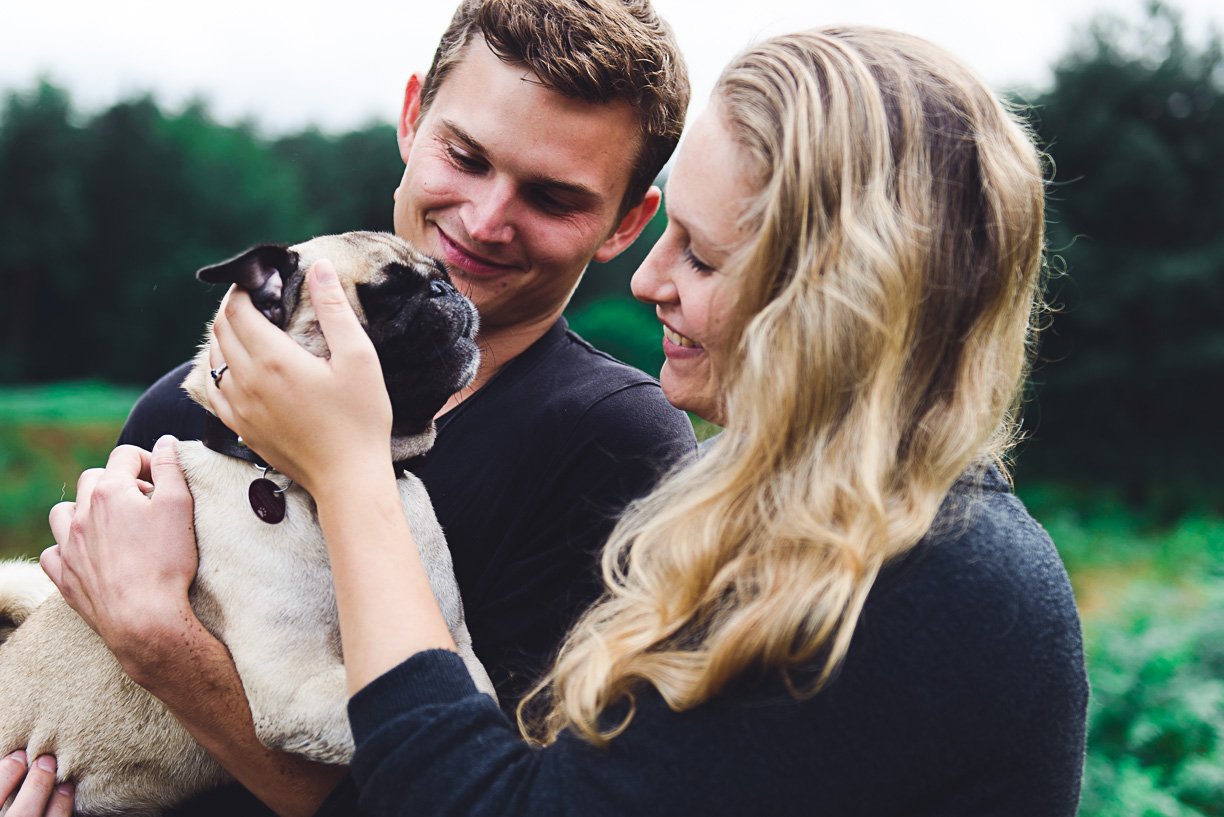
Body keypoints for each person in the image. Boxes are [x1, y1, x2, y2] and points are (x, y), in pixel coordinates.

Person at [16, 23, 1090, 817]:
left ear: (844, 298)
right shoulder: (783, 536)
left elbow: (464, 797)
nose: (658, 279)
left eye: (702, 254)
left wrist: (186, 621)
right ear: (411, 118)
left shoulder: (890, 578)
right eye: (466, 155)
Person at [5, 2, 695, 816]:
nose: (485, 220)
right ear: (411, 118)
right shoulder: (188, 411)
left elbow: (483, 797)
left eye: (551, 197)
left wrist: (162, 643)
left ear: (626, 224)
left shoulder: (615, 447)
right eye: (466, 156)